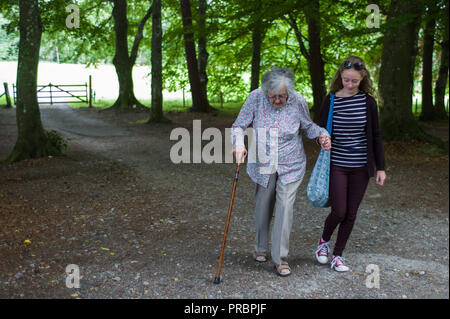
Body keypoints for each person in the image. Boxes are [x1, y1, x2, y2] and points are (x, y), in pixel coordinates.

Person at [231, 67, 331, 277]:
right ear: (265, 91)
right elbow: (239, 125)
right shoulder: (255, 98)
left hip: (290, 163)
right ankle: (260, 246)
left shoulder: (298, 100)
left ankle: (280, 257)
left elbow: (307, 126)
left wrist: (321, 134)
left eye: (282, 96)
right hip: (263, 162)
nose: (277, 100)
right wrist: (239, 144)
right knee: (262, 206)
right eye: (273, 96)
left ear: (290, 93)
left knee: (285, 208)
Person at [314, 56, 386, 272]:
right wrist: (322, 138)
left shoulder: (368, 102)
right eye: (346, 80)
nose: (350, 84)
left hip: (361, 167)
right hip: (337, 164)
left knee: (351, 213)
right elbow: (319, 129)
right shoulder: (332, 100)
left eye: (354, 81)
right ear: (340, 77)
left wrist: (381, 168)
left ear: (362, 78)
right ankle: (323, 242)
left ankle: (338, 255)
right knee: (339, 210)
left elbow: (376, 136)